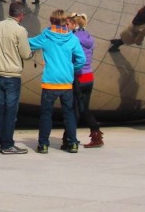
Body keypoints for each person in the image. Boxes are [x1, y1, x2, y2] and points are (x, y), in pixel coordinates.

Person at [28, 9, 85, 153]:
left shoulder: (46, 37)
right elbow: (81, 59)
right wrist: (72, 69)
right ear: (65, 22)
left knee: (46, 114)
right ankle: (72, 143)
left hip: (50, 82)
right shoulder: (72, 39)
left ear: (52, 21)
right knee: (69, 114)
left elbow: (29, 43)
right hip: (66, 82)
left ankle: (43, 145)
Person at [0, 1, 32, 154]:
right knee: (11, 111)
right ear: (20, 15)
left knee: (2, 109)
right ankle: (7, 144)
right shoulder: (20, 31)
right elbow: (26, 54)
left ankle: (3, 141)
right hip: (12, 76)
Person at [70, 13, 103, 148]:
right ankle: (74, 135)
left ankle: (94, 133)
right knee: (82, 108)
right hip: (89, 76)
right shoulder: (88, 37)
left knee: (77, 109)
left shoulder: (74, 38)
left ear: (74, 24)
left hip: (78, 76)